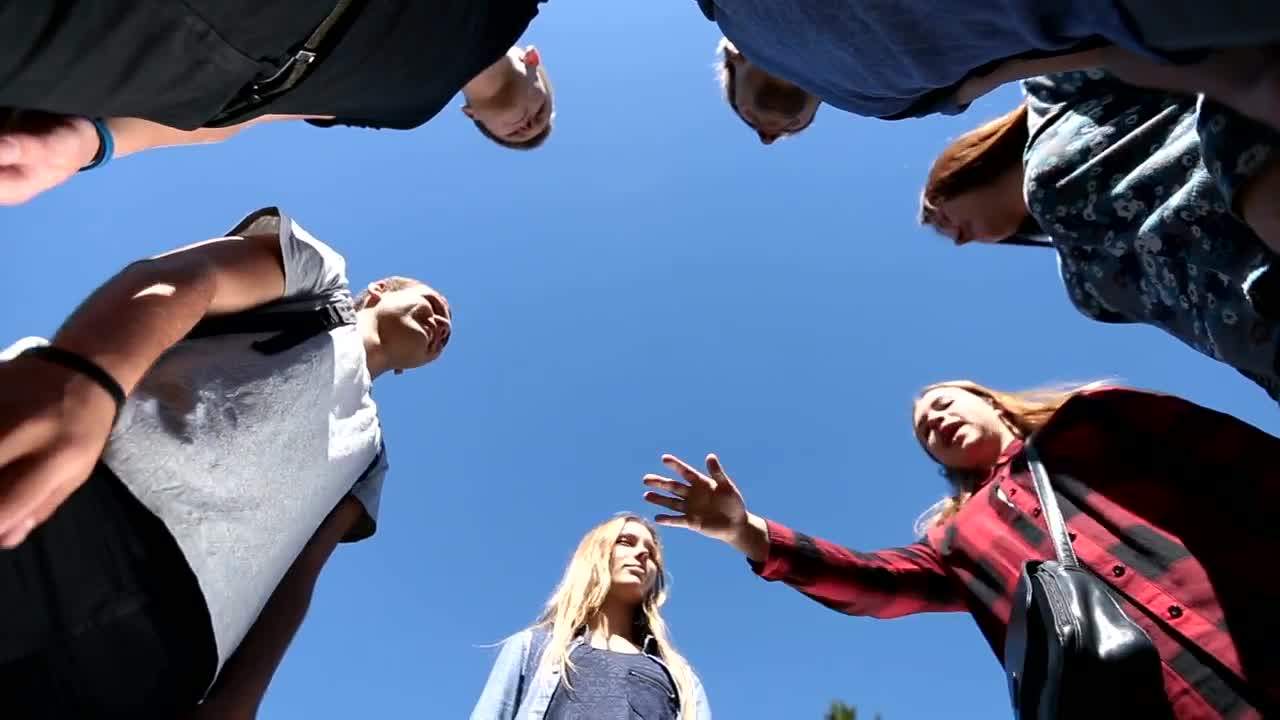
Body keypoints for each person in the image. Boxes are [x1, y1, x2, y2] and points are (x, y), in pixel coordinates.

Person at [0, 206, 453, 718]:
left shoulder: (371, 457)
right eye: (434, 305)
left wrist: (240, 699)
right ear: (381, 290)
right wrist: (85, 383)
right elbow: (188, 279)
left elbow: (300, 575)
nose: (440, 324)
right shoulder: (321, 282)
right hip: (78, 500)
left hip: (173, 644)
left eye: (446, 334)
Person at [643, 380, 1280, 718]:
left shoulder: (1094, 422)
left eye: (944, 403)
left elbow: (1248, 464)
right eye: (925, 430)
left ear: (989, 400)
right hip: (1158, 705)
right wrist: (744, 532)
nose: (935, 420)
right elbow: (875, 582)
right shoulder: (956, 540)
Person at [921, 70, 1280, 403]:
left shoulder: (1049, 92)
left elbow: (1191, 51)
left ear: (956, 169)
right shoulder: (1082, 286)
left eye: (940, 217)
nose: (957, 239)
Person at [0, 0, 556, 206]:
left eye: (516, 135)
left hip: (163, 61)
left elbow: (253, 117)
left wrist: (97, 143)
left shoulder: (410, 111)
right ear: (535, 62)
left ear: (473, 118)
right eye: (543, 114)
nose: (529, 127)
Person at [693, 0, 1280, 132]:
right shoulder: (883, 100)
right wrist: (1233, 79)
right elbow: (1082, 54)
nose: (769, 131)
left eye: (758, 118)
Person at [469, 513, 712, 719]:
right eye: (626, 542)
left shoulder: (681, 680)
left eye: (651, 553)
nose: (642, 554)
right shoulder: (533, 648)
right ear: (596, 554)